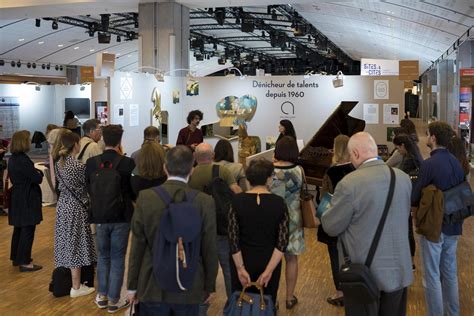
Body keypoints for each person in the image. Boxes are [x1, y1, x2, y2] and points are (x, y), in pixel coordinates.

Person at [322, 132, 413, 316]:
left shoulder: (349, 184)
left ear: (355, 154)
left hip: (365, 274)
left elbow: (331, 227)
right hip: (399, 271)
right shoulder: (403, 178)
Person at [127, 146, 218, 315]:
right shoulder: (205, 202)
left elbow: (137, 247)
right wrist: (209, 285)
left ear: (164, 167)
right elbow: (210, 247)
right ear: (192, 169)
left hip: (151, 283)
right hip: (190, 284)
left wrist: (132, 286)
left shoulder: (145, 198)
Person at [412, 122, 465, 316]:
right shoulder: (456, 163)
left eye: (428, 134)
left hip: (434, 227)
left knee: (432, 275)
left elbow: (415, 196)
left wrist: (415, 218)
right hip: (454, 226)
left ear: (433, 138)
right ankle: (453, 313)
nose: (426, 137)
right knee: (449, 274)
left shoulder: (429, 165)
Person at [85, 125, 136, 313]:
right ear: (120, 140)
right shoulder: (128, 163)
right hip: (122, 217)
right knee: (117, 257)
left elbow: (89, 187)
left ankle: (102, 296)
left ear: (103, 140)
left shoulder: (91, 163)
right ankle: (114, 300)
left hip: (99, 215)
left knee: (103, 256)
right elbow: (132, 191)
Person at [188, 142, 241, 310]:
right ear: (212, 156)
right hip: (221, 227)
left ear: (195, 157)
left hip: (198, 228)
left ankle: (201, 308)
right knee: (227, 267)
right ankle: (232, 305)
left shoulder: (191, 174)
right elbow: (236, 192)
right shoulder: (222, 171)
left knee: (201, 268)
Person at [229, 159, 289, 307]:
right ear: (269, 178)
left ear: (248, 179)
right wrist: (268, 271)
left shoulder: (236, 201)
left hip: (242, 259)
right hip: (269, 260)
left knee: (241, 303)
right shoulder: (279, 203)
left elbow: (233, 239)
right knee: (266, 303)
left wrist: (240, 268)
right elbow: (282, 242)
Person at [54, 132, 96, 298]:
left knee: (67, 242)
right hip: (76, 208)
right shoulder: (77, 166)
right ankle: (76, 286)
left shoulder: (59, 164)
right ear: (75, 145)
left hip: (63, 205)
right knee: (76, 244)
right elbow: (87, 186)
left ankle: (75, 284)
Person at [318, 134, 354, 307]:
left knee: (335, 256)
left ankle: (339, 292)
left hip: (336, 220)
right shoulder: (357, 169)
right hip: (355, 221)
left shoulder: (331, 172)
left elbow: (324, 198)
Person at [269, 136, 304, 309]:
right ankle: (289, 297)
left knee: (271, 261)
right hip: (293, 219)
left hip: (271, 219)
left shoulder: (270, 171)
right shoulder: (299, 170)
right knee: (291, 259)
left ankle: (271, 298)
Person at [8, 130, 44, 272]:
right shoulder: (23, 160)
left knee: (19, 228)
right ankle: (25, 261)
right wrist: (38, 173)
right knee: (28, 229)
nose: (30, 142)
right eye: (28, 140)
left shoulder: (13, 158)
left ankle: (17, 257)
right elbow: (37, 178)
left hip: (17, 195)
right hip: (27, 197)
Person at [392, 134, 423, 269]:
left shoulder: (409, 159)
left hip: (407, 197)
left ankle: (408, 261)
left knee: (406, 229)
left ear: (403, 146)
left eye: (398, 148)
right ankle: (410, 261)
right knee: (408, 229)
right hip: (413, 195)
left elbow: (398, 174)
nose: (397, 151)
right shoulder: (414, 154)